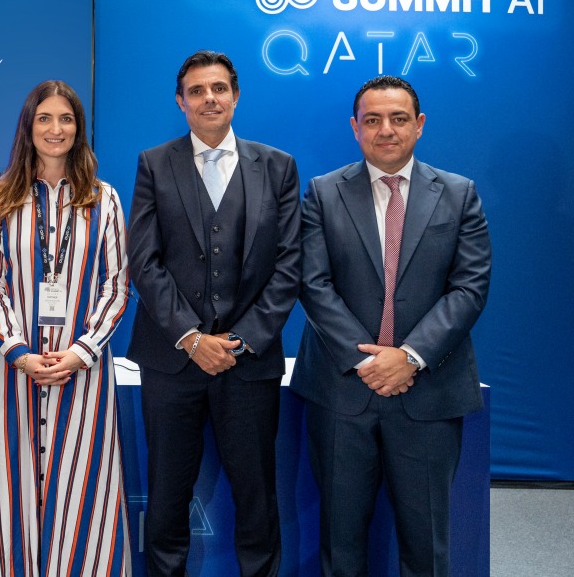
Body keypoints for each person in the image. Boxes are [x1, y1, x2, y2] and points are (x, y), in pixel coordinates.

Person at [292, 75, 491, 576]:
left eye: (398, 119)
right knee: (340, 543)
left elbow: (469, 287)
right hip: (342, 392)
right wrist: (368, 361)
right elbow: (312, 284)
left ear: (419, 125)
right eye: (373, 120)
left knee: (426, 544)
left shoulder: (459, 194)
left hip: (429, 392)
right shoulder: (322, 193)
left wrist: (409, 357)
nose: (386, 130)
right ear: (355, 127)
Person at [127, 50, 300, 577]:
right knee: (167, 494)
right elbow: (144, 262)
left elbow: (289, 265)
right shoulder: (154, 163)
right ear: (180, 102)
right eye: (197, 91)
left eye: (219, 88)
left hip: (249, 364)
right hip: (171, 362)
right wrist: (191, 337)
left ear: (236, 96)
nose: (209, 98)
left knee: (256, 495)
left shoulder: (277, 166)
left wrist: (241, 340)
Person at [0, 80, 132, 575]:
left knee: (82, 491)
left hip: (82, 370)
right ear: (28, 126)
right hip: (14, 371)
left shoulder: (104, 199)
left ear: (78, 128)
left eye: (66, 119)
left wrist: (81, 352)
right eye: (44, 118)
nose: (55, 128)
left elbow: (116, 285)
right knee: (14, 489)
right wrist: (18, 351)